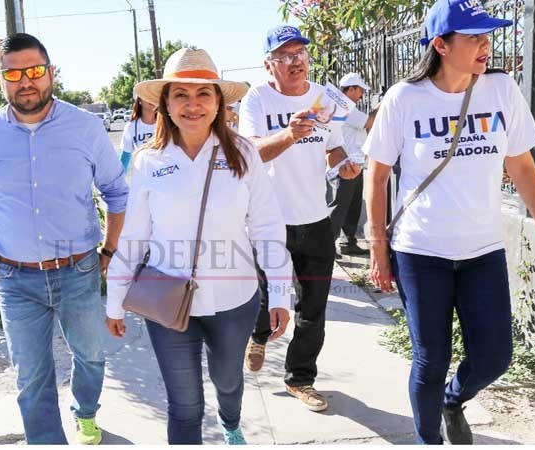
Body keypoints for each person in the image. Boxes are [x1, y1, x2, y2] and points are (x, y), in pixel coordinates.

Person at [362, 0, 535, 444]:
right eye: (474, 37)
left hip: (482, 250)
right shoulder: (404, 98)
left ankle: (453, 400)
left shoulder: (501, 89)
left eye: (487, 36)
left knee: (495, 356)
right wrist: (378, 247)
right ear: (440, 45)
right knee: (430, 360)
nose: (485, 45)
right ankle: (429, 441)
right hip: (420, 251)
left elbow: (521, 166)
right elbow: (376, 177)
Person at [105, 48, 293, 445]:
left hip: (234, 300)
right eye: (181, 95)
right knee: (185, 405)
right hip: (166, 300)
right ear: (165, 105)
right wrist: (115, 300)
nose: (193, 105)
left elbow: (267, 227)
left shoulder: (243, 154)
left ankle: (231, 424)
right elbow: (134, 237)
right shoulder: (148, 161)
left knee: (228, 382)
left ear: (219, 102)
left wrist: (280, 293)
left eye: (203, 94)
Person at [0, 33, 128, 445]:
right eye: (13, 74)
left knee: (91, 357)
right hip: (16, 280)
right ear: (0, 79)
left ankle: (86, 411)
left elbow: (117, 192)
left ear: (51, 73)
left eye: (34, 70)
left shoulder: (85, 127)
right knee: (30, 376)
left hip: (78, 270)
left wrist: (111, 248)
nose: (26, 81)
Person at [238, 25, 360, 412]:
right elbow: (252, 153)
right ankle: (258, 335)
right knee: (265, 296)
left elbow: (332, 147)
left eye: (301, 54)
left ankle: (300, 378)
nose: (297, 62)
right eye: (286, 56)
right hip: (268, 221)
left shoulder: (323, 97)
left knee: (313, 308)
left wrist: (344, 165)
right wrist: (289, 134)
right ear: (268, 65)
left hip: (315, 219)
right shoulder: (256, 100)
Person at [328, 72, 378, 258]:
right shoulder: (344, 106)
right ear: (351, 89)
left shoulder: (347, 107)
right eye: (360, 90)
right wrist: (381, 107)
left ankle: (347, 242)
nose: (361, 94)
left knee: (352, 206)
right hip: (344, 165)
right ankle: (327, 246)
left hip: (355, 163)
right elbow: (369, 122)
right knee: (339, 207)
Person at [119, 91, 157, 170]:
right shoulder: (131, 127)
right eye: (146, 95)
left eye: (153, 94)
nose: (151, 98)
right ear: (139, 100)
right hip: (142, 175)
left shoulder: (167, 124)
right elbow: (125, 158)